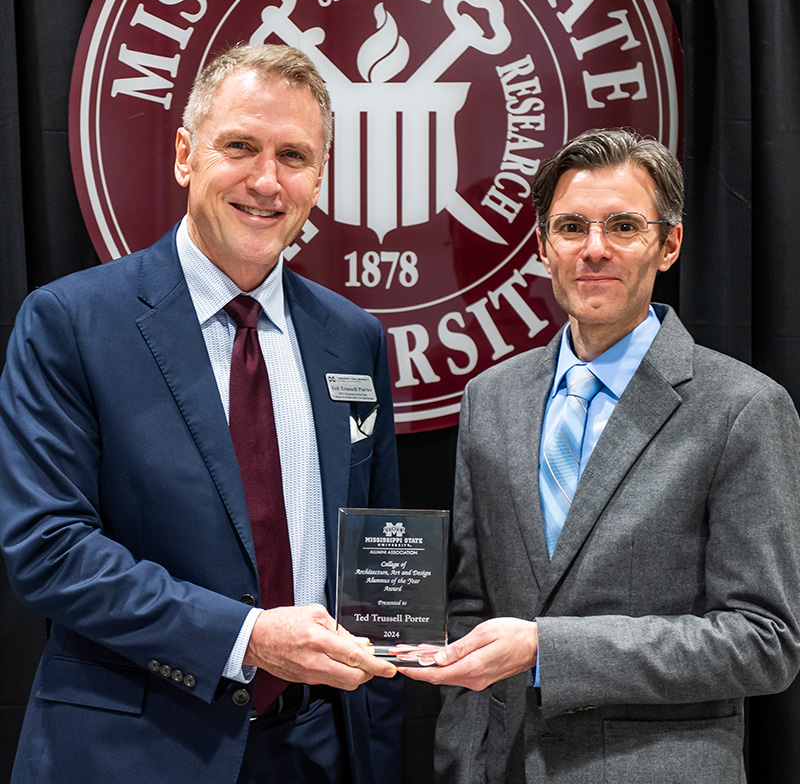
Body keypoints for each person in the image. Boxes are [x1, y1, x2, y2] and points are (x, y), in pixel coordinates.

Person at [0, 44, 403, 784]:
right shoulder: (70, 322)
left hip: (320, 748)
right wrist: (247, 637)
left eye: (294, 156)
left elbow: (373, 564)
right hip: (137, 752)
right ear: (186, 154)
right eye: (241, 146)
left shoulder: (354, 337)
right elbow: (49, 548)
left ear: (320, 177)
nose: (265, 180)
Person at [401, 128, 800, 782]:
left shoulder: (742, 409)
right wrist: (459, 757)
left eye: (622, 226)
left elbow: (764, 642)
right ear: (541, 247)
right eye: (571, 227)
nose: (594, 250)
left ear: (668, 244)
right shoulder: (490, 399)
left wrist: (545, 651)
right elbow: (471, 604)